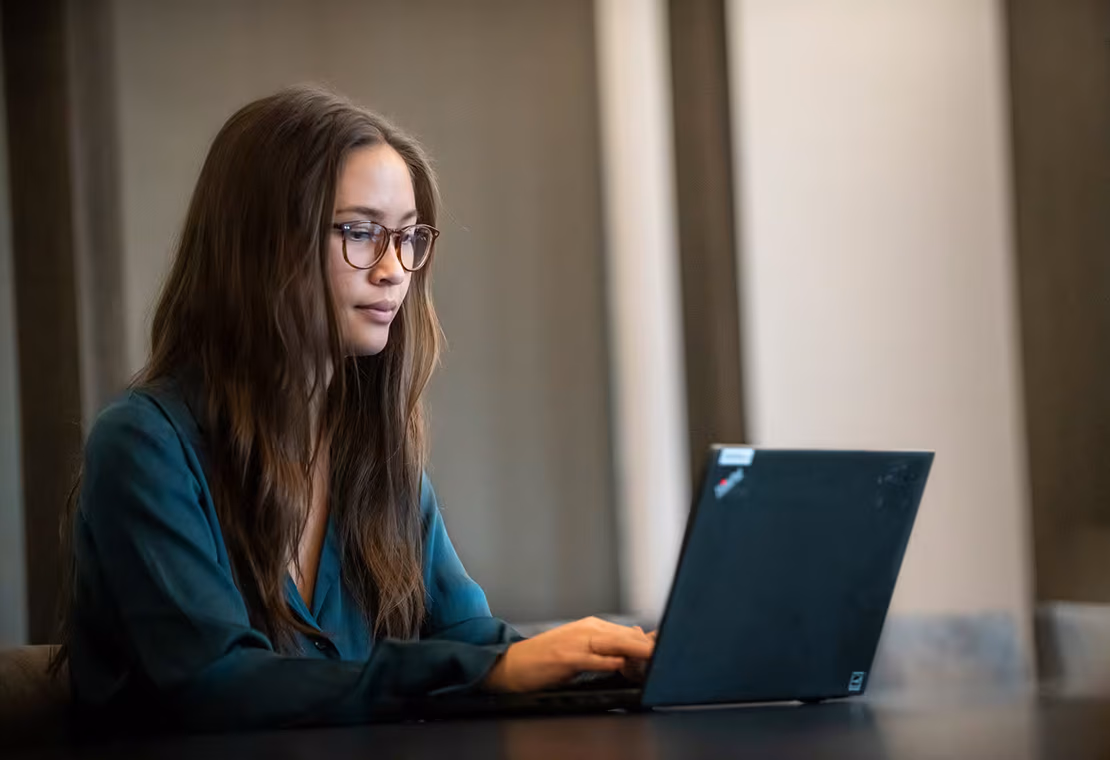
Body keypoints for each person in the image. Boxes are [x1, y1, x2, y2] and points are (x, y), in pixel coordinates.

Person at [54, 85, 653, 732]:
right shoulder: (144, 445)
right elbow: (213, 682)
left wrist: (598, 657)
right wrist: (486, 671)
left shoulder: (376, 454)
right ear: (261, 244)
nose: (396, 269)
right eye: (362, 233)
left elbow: (468, 637)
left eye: (408, 238)